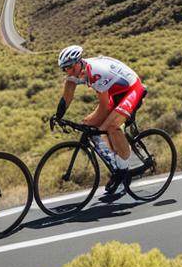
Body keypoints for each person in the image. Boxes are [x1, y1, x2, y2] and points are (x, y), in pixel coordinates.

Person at [54, 45, 149, 192]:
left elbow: (104, 107)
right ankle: (119, 162)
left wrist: (85, 122)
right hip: (116, 91)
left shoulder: (95, 74)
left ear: (80, 62)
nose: (69, 72)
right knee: (92, 126)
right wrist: (58, 116)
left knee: (110, 127)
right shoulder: (76, 72)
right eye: (65, 69)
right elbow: (67, 95)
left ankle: (123, 170)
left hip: (131, 89)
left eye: (71, 67)